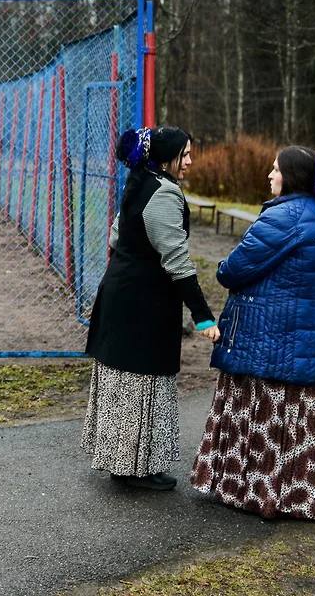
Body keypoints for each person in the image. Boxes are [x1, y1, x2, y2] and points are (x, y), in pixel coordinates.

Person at [191, 146, 315, 520]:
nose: (269, 174)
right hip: (304, 337)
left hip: (269, 335)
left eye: (275, 169)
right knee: (300, 417)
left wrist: (222, 266)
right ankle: (306, 493)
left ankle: (255, 490)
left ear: (291, 176)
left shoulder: (285, 217)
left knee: (260, 410)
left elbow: (231, 271)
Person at [82, 127, 219, 491]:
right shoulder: (164, 192)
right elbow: (177, 260)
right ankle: (132, 469)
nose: (189, 161)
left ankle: (127, 462)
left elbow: (115, 236)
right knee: (141, 379)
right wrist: (203, 314)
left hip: (122, 294)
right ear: (165, 158)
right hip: (143, 303)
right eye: (184, 154)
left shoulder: (139, 181)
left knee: (126, 381)